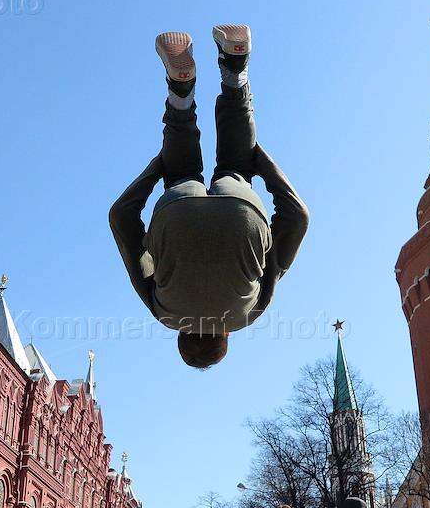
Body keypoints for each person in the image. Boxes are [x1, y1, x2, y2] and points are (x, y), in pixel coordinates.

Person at [109, 26, 310, 369]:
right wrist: (158, 168)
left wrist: (260, 163)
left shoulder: (248, 314)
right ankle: (180, 90)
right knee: (182, 176)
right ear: (180, 335)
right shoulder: (164, 313)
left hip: (240, 212)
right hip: (177, 212)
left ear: (226, 335)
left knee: (235, 166)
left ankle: (235, 69)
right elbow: (121, 218)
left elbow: (297, 217)